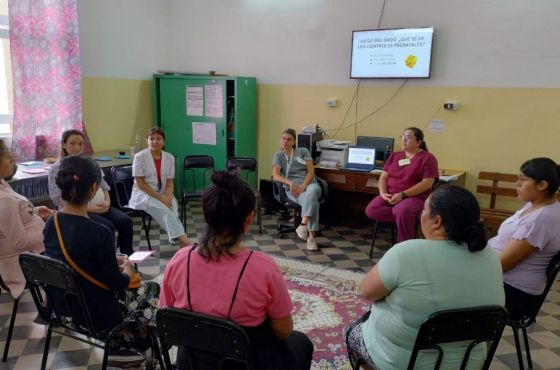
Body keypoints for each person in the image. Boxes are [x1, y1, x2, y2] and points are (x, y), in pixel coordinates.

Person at [160, 170, 313, 370]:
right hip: (245, 364)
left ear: (207, 215)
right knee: (301, 343)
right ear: (249, 217)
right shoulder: (263, 268)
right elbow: (284, 331)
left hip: (191, 364)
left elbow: (166, 322)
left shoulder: (180, 260)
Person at [346, 185, 504, 369]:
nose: (421, 215)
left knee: (351, 331)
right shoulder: (490, 255)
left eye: (424, 210)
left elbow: (367, 292)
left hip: (407, 363)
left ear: (436, 221)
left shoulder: (406, 252)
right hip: (469, 363)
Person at [43, 155, 159, 362]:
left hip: (63, 310)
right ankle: (136, 349)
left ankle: (128, 345)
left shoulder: (52, 223)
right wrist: (128, 270)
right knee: (151, 290)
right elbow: (117, 283)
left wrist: (108, 259)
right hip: (96, 314)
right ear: (94, 188)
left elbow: (73, 259)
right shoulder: (100, 232)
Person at [489, 157, 560, 321]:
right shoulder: (535, 205)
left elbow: (504, 264)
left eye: (522, 179)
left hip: (514, 294)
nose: (517, 184)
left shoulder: (542, 218)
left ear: (542, 185)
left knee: (451, 284)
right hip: (505, 282)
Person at [48, 129, 134, 255]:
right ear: (63, 144)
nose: (77, 147)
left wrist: (107, 202)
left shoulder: (92, 163)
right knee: (107, 227)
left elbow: (104, 186)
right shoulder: (56, 168)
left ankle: (128, 258)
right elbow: (58, 199)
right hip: (77, 210)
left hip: (101, 207)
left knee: (125, 221)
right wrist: (89, 208)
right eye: (72, 143)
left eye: (80, 144)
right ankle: (110, 262)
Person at [365, 127, 439, 243]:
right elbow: (383, 178)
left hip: (415, 197)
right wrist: (383, 193)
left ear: (419, 142)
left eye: (408, 138)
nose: (404, 140)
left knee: (403, 211)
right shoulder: (395, 156)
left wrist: (403, 195)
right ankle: (408, 218)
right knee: (372, 210)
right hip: (391, 195)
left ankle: (404, 244)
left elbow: (427, 183)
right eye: (402, 137)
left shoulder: (428, 158)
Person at [0, 139, 51, 298]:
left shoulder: (2, 184)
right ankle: (55, 308)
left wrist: (34, 212)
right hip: (22, 263)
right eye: (8, 157)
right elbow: (19, 242)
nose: (12, 161)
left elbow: (11, 219)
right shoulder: (3, 199)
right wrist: (48, 229)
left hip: (30, 252)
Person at [128, 127, 189, 247]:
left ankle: (178, 239)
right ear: (147, 141)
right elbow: (140, 183)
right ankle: (185, 242)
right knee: (165, 210)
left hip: (163, 191)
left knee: (173, 208)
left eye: (159, 139)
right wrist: (162, 199)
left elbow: (170, 181)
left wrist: (168, 197)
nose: (155, 141)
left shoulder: (169, 157)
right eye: (151, 138)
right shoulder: (139, 157)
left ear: (164, 141)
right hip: (143, 194)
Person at [272, 128, 321, 251]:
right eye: (283, 139)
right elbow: (276, 175)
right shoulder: (278, 155)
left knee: (313, 190)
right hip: (292, 188)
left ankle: (303, 225)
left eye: (289, 139)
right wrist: (290, 183)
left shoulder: (303, 151)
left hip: (309, 184)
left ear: (294, 142)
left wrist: (303, 186)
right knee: (313, 202)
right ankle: (311, 238)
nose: (285, 141)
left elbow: (311, 171)